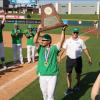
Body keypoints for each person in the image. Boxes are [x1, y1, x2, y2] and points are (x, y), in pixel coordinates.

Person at [34, 24, 66, 100]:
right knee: (44, 94)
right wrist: (38, 32)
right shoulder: (40, 48)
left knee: (50, 95)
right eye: (42, 40)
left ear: (49, 41)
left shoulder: (54, 48)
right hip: (42, 75)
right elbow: (35, 41)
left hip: (52, 75)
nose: (42, 41)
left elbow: (61, 41)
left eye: (44, 40)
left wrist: (63, 30)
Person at [62, 27, 92, 95]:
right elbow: (63, 48)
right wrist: (60, 56)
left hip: (78, 59)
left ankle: (78, 85)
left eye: (77, 32)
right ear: (72, 33)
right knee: (68, 74)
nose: (75, 34)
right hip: (69, 59)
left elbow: (85, 49)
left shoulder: (81, 41)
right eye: (74, 32)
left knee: (78, 74)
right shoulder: (68, 40)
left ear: (78, 33)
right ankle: (69, 88)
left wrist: (89, 57)